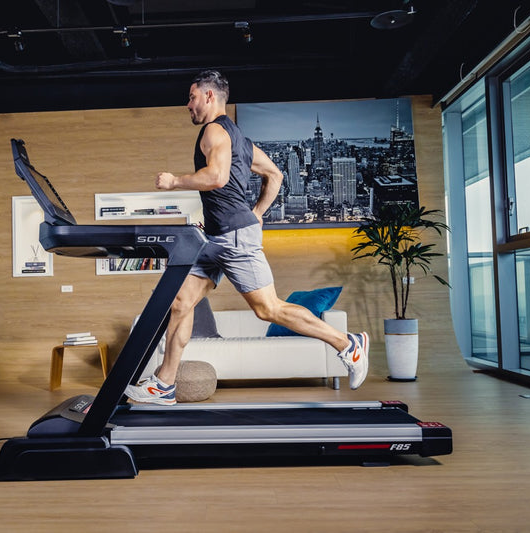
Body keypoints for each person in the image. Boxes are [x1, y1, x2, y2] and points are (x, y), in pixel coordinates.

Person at [125, 70, 368, 405]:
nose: (188, 105)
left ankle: (347, 344)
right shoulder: (239, 138)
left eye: (192, 97)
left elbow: (217, 176)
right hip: (216, 238)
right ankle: (164, 384)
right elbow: (275, 174)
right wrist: (257, 214)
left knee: (268, 309)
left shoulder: (213, 131)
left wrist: (174, 182)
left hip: (233, 238)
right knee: (181, 302)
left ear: (209, 96)